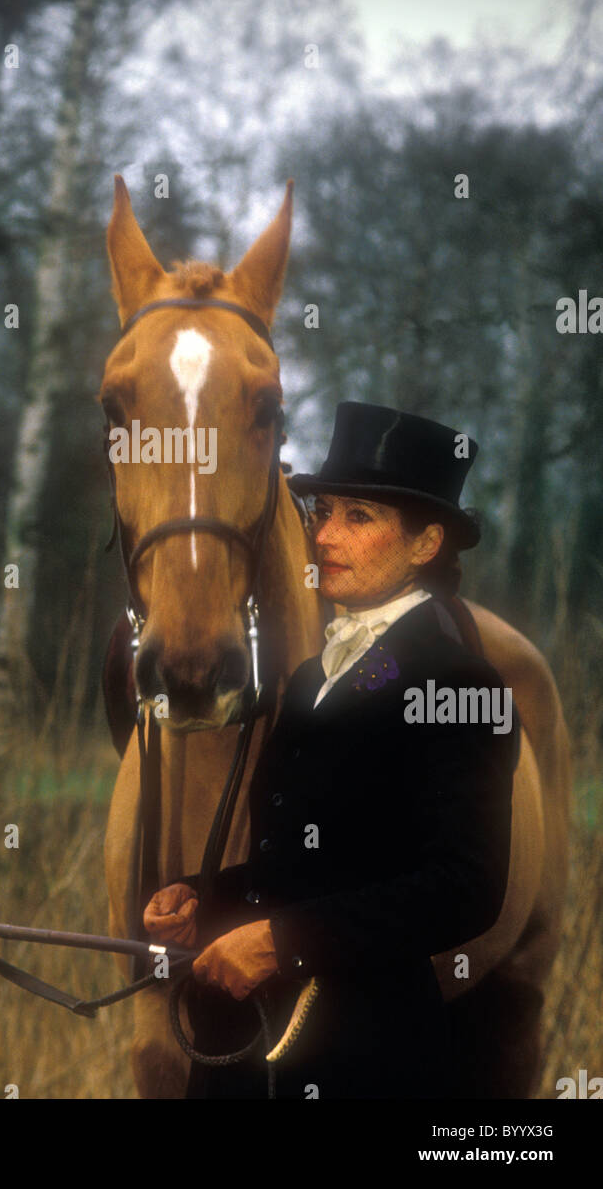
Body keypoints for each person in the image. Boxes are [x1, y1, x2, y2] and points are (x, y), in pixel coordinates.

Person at [143, 402, 518, 1099]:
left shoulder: (460, 682)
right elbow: (306, 863)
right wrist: (206, 898)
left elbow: (464, 889)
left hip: (362, 1057)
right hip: (245, 1049)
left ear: (425, 543)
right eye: (322, 514)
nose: (325, 537)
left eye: (358, 518)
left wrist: (281, 942)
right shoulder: (320, 674)